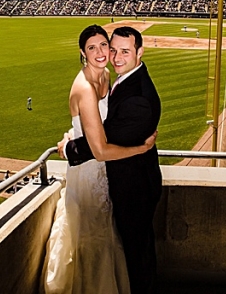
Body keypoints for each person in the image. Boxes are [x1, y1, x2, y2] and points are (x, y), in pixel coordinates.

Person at [43, 25, 157, 294]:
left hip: (111, 173)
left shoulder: (108, 76)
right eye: (92, 47)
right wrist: (140, 148)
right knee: (92, 238)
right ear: (82, 52)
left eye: (104, 45)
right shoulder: (84, 87)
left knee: (110, 237)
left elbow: (106, 126)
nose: (103, 52)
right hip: (90, 171)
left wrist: (73, 138)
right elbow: (100, 149)